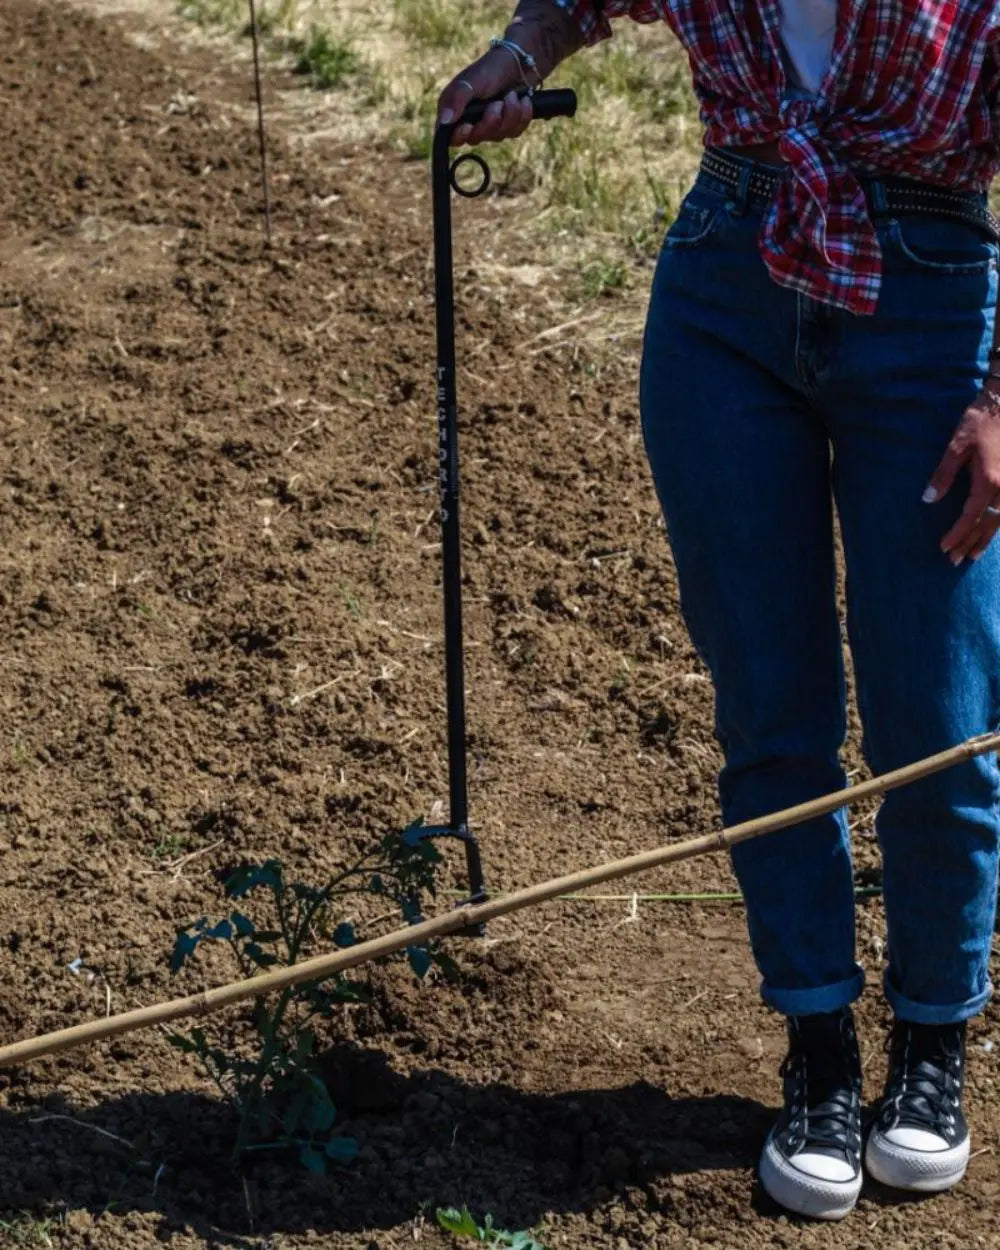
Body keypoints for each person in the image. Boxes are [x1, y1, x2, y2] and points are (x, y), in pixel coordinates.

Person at [438, 0, 1000, 1223]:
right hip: (725, 288)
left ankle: (931, 1040)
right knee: (769, 702)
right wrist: (519, 56)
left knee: (936, 712)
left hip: (934, 305)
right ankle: (818, 1054)